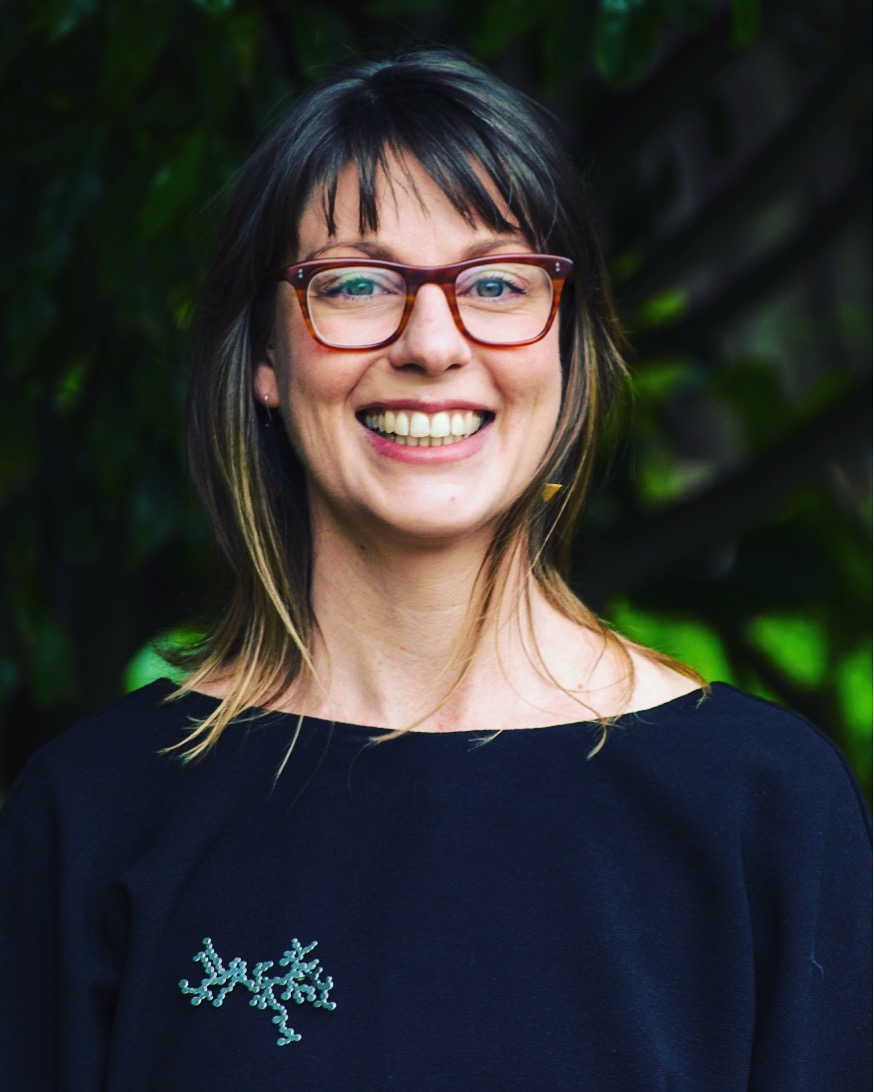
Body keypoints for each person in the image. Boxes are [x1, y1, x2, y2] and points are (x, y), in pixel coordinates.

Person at [0, 49, 869, 1091]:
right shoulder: (92, 813)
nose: (431, 341)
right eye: (356, 283)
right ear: (268, 359)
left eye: (495, 282)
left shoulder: (761, 805)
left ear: (566, 347)